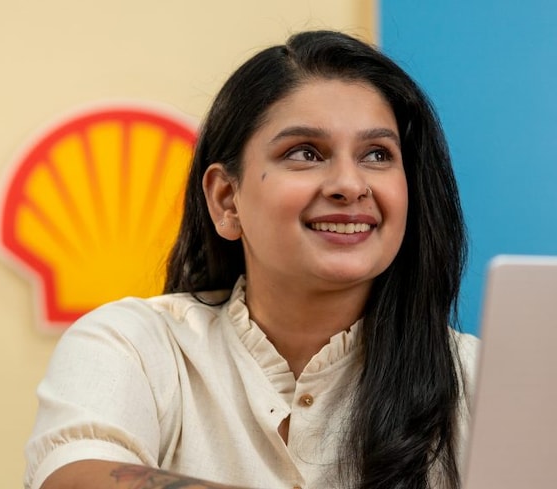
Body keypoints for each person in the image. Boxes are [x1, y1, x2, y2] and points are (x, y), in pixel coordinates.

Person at [24, 30, 479, 489]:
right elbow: (77, 478)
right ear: (226, 199)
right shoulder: (136, 345)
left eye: (377, 154)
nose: (350, 184)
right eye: (306, 153)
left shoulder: (481, 379)